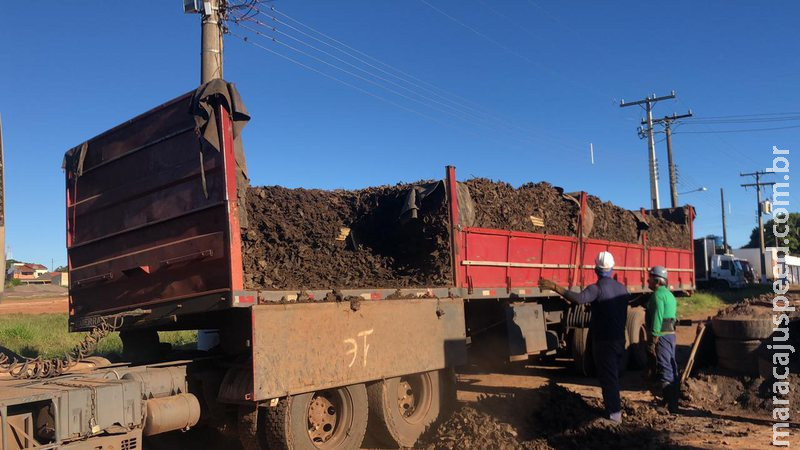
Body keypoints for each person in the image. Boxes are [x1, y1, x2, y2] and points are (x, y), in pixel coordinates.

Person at [539, 251, 630, 424]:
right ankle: (613, 410)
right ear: (612, 269)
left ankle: (614, 417)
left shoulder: (596, 289)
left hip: (604, 341)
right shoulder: (622, 290)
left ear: (596, 269)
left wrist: (555, 287)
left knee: (607, 378)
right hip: (619, 340)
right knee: (613, 376)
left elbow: (579, 299)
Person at [645, 266, 679, 413]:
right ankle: (669, 400)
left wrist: (654, 337)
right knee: (671, 365)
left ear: (657, 281)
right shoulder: (670, 295)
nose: (648, 280)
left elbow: (658, 316)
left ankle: (672, 406)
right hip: (671, 334)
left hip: (663, 335)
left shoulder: (658, 295)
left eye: (651, 277)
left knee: (665, 366)